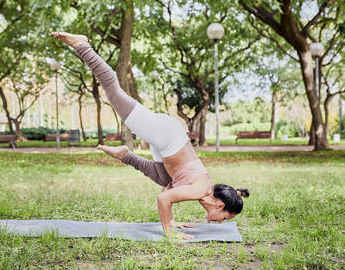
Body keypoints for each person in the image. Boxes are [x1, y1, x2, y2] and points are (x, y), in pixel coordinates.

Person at [51, 32, 249, 239]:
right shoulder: (199, 190)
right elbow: (163, 200)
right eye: (226, 217)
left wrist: (171, 220)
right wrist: (169, 232)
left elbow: (166, 190)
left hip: (168, 142)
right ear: (219, 204)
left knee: (163, 177)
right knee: (114, 93)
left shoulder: (202, 191)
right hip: (167, 135)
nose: (222, 221)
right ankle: (83, 46)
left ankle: (125, 155)